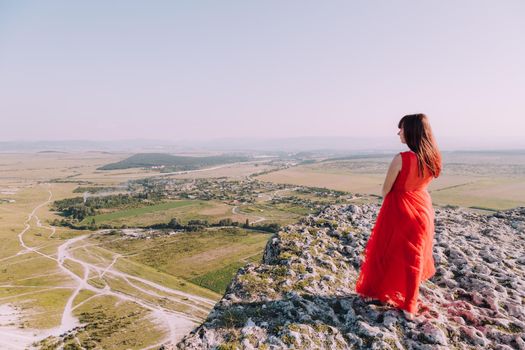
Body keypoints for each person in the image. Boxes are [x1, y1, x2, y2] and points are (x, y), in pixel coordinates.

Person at [355, 113, 442, 320]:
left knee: (387, 250)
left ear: (411, 131)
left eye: (401, 129)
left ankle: (380, 292)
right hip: (423, 207)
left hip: (399, 208)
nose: (398, 132)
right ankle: (409, 304)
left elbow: (386, 189)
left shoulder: (402, 158)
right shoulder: (433, 157)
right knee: (415, 255)